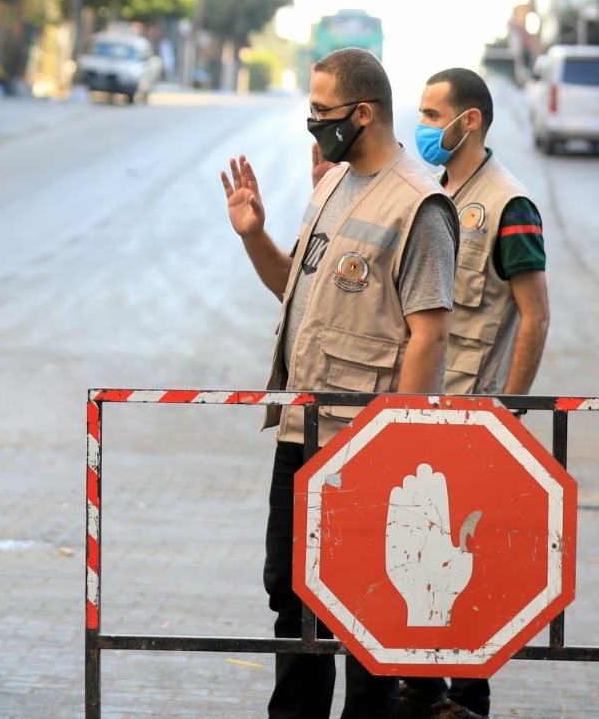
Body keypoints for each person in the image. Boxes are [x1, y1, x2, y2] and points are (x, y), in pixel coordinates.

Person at [221, 47, 459, 719]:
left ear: (363, 112)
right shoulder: (330, 184)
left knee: (365, 611)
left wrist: (395, 451)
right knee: (293, 602)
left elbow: (430, 335)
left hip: (362, 448)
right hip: (301, 433)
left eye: (322, 113)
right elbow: (293, 291)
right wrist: (254, 236)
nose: (313, 125)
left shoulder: (421, 206)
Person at [394, 68, 550, 719]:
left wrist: (507, 412)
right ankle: (425, 691)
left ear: (471, 121)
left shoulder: (510, 204)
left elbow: (535, 315)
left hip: (473, 418)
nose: (425, 127)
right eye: (423, 115)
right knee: (418, 560)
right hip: (422, 414)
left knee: (466, 565)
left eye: (435, 115)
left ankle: (470, 699)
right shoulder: (431, 191)